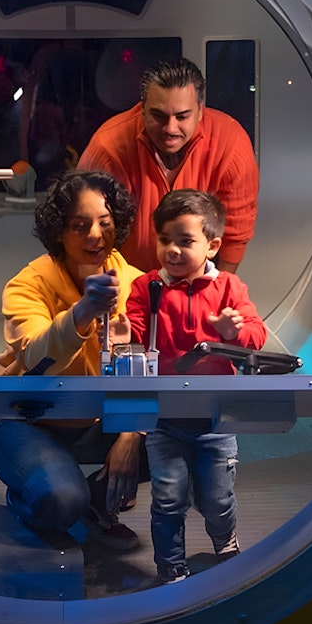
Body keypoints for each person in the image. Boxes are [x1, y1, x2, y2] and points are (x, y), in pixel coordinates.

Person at [0, 169, 148, 549]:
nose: (95, 235)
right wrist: (83, 312)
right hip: (24, 417)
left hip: (92, 421)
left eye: (105, 223)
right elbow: (38, 358)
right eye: (80, 225)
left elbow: (154, 370)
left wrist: (131, 432)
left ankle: (95, 498)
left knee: (191, 445)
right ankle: (36, 496)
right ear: (58, 231)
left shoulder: (136, 283)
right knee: (59, 501)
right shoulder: (28, 284)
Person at [124, 189, 267, 583]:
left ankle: (226, 544)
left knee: (217, 499)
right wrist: (122, 330)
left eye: (185, 241)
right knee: (168, 499)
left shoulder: (230, 290)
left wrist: (232, 334)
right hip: (164, 417)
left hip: (216, 419)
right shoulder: (146, 287)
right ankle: (170, 567)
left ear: (213, 245)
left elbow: (257, 336)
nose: (172, 250)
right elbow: (134, 331)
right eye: (164, 239)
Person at [77, 57, 259, 274]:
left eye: (182, 116)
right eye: (158, 115)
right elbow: (82, 230)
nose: (170, 129)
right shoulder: (108, 147)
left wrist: (217, 291)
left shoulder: (231, 144)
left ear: (200, 110)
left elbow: (236, 233)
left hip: (199, 286)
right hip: (125, 284)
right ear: (142, 108)